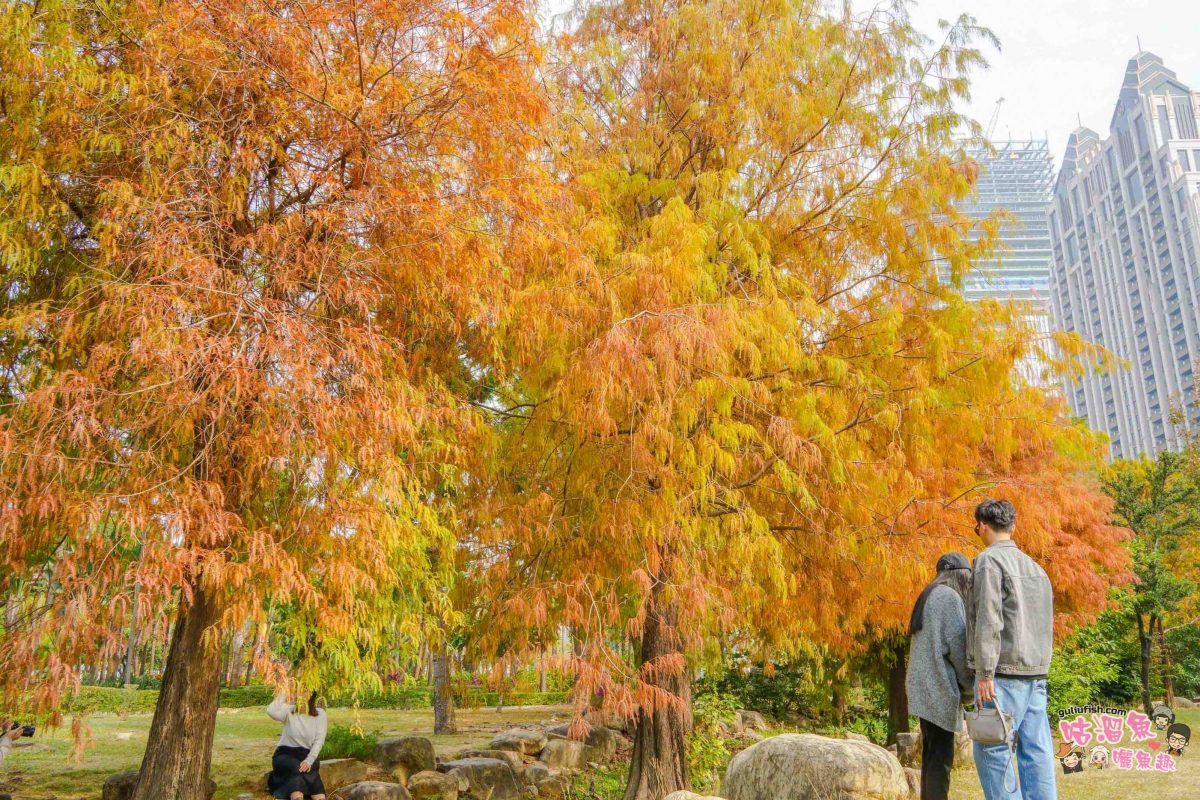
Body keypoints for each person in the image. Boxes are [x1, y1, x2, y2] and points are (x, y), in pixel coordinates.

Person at [966, 499, 1057, 800]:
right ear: (1013, 526)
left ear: (982, 525)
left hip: (1002, 674)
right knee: (1037, 751)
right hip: (1036, 673)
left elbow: (989, 621)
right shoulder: (1036, 568)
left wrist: (984, 673)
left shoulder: (989, 561)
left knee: (992, 750)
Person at [906, 552, 973, 800]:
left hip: (924, 689)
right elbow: (957, 649)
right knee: (940, 762)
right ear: (960, 575)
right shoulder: (948, 598)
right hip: (938, 689)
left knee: (932, 758)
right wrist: (972, 686)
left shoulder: (929, 594)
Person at [266, 690, 328, 800]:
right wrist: (285, 691)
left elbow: (319, 740)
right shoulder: (288, 710)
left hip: (308, 755)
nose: (300, 694)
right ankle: (297, 796)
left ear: (312, 694)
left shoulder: (320, 713)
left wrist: (309, 760)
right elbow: (270, 711)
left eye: (304, 691)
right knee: (296, 768)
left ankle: (312, 796)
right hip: (285, 753)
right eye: (297, 691)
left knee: (306, 768)